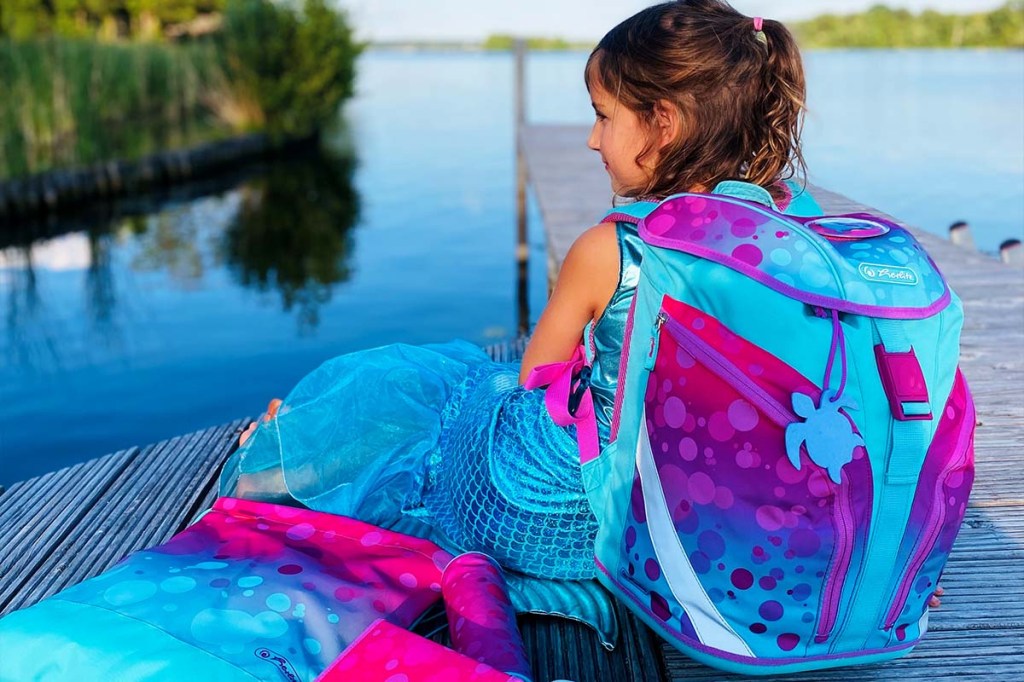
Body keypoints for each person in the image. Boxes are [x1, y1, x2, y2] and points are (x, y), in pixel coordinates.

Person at [222, 0, 943, 608]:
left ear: (663, 123)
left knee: (455, 387)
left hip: (571, 519)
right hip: (720, 527)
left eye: (602, 116)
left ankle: (289, 445)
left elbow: (534, 383)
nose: (593, 140)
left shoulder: (615, 249)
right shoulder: (797, 241)